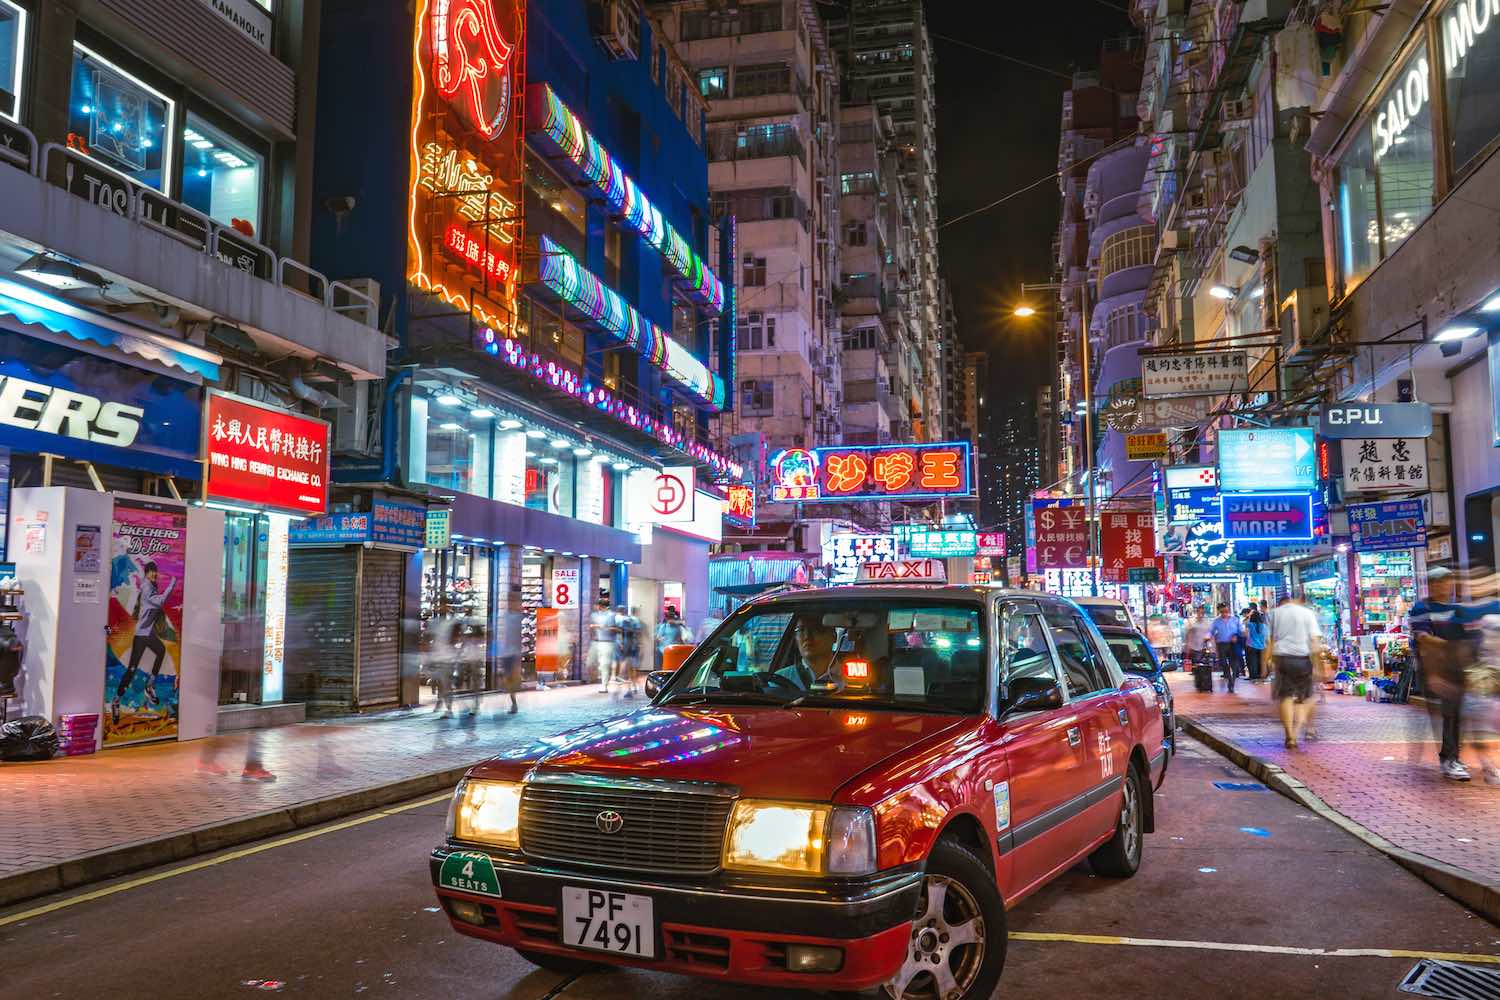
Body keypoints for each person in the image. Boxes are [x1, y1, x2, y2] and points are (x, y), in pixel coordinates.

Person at [1411, 567, 1476, 781]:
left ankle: (1452, 757)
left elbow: (1468, 636)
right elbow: (1423, 637)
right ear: (1430, 585)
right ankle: (1450, 759)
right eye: (1438, 582)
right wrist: (1449, 647)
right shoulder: (1422, 607)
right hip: (1435, 668)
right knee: (1447, 714)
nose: (1443, 586)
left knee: (1457, 714)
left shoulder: (1458, 609)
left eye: (1447, 581)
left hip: (1456, 668)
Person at [110, 561, 176, 724]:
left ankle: (149, 685)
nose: (154, 574)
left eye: (155, 572)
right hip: (141, 635)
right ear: (146, 574)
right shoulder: (147, 588)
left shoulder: (151, 587)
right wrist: (173, 583)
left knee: (160, 651)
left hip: (148, 633)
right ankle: (116, 700)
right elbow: (160, 601)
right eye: (151, 572)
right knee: (131, 670)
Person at [1267, 592, 1323, 749]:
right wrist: (1318, 666)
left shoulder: (1275, 613)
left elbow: (1270, 640)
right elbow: (1315, 642)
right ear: (1301, 600)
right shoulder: (1307, 614)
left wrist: (1265, 661)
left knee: (1285, 697)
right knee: (1304, 699)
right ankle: (1296, 733)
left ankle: (1289, 735)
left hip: (1282, 658)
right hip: (1302, 659)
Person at [1209, 603, 1245, 694]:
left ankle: (1231, 683)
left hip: (1233, 645)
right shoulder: (1216, 621)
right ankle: (1229, 679)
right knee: (1224, 663)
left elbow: (1241, 631)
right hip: (1222, 645)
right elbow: (1211, 631)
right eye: (1222, 612)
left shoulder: (1235, 620)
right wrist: (1207, 637)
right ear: (1219, 612)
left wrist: (1240, 634)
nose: (1224, 613)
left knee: (1234, 664)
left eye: (1226, 611)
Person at [588, 600, 620, 692]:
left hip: (608, 642)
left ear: (601, 606)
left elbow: (616, 629)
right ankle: (602, 679)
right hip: (597, 642)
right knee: (591, 662)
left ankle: (604, 685)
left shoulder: (611, 615)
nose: (596, 607)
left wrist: (601, 626)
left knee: (605, 664)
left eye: (597, 605)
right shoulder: (595, 615)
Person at [1183, 605, 1214, 692]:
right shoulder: (1192, 622)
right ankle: (1199, 684)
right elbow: (1188, 634)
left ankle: (1205, 684)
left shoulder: (1207, 623)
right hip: (1194, 646)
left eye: (1202, 613)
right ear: (1197, 612)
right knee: (1196, 666)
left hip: (1204, 646)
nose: (1201, 614)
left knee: (1205, 666)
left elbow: (1211, 633)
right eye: (1199, 612)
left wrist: (1210, 642)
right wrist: (1188, 645)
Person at [616, 605, 642, 698]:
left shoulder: (625, 621)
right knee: (632, 666)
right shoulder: (633, 620)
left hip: (628, 644)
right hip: (632, 644)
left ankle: (629, 686)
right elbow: (638, 632)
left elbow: (622, 632)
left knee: (628, 666)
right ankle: (633, 686)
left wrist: (622, 643)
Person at [1245, 604, 1268, 682]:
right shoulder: (1264, 626)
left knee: (1253, 662)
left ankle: (1253, 676)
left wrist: (1249, 615)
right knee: (1259, 661)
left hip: (1252, 646)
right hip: (1262, 646)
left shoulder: (1251, 625)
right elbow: (1266, 636)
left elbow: (1244, 622)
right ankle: (1259, 675)